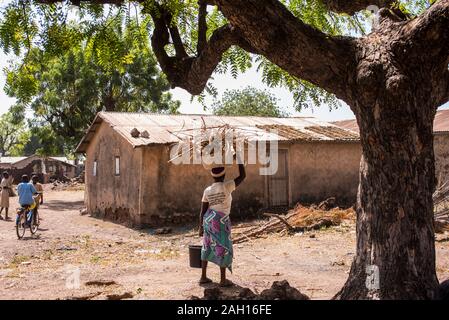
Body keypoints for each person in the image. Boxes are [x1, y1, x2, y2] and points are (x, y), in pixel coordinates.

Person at [199, 161, 246, 287]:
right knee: (223, 247)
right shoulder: (227, 186)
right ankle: (223, 280)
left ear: (213, 176)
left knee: (206, 246)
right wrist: (240, 161)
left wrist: (200, 227)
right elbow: (242, 176)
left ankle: (203, 276)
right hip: (220, 222)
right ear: (224, 176)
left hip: (208, 220)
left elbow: (202, 210)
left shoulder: (207, 190)